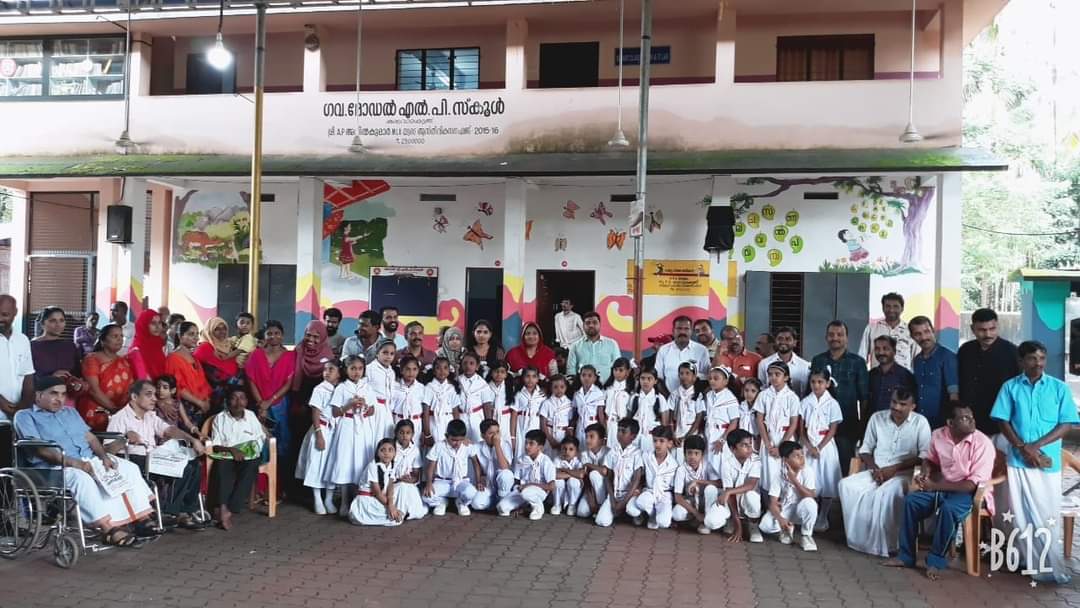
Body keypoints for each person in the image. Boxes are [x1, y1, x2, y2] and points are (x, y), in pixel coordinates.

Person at [14, 377, 155, 546]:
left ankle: (141, 519)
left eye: (63, 394)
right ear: (38, 396)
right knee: (82, 479)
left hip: (88, 459)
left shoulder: (70, 413)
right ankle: (108, 529)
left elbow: (91, 438)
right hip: (55, 468)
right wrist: (76, 463)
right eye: (54, 394)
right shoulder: (25, 416)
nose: (60, 399)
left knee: (128, 468)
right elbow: (41, 450)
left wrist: (104, 458)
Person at [990, 340, 1078, 584]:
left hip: (1048, 463)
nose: (1038, 363)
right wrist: (1021, 447)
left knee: (1046, 513)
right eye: (1032, 358)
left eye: (1041, 358)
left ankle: (1049, 566)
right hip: (1018, 462)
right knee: (1021, 515)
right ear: (1021, 361)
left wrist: (1035, 446)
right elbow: (1002, 420)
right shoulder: (1010, 387)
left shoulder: (1059, 388)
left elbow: (1067, 423)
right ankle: (1026, 561)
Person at [883, 402, 996, 580]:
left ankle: (935, 561)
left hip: (968, 493)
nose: (972, 421)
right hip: (943, 487)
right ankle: (906, 556)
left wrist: (934, 486)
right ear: (950, 423)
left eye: (971, 417)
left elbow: (972, 485)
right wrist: (926, 472)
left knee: (948, 509)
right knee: (911, 502)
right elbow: (930, 460)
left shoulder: (983, 444)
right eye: (965, 418)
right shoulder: (938, 435)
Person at [838, 387, 931, 558]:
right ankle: (858, 540)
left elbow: (924, 456)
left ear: (913, 406)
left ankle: (888, 544)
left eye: (902, 404)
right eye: (894, 402)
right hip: (877, 470)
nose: (896, 407)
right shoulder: (877, 418)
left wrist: (894, 469)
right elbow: (865, 450)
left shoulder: (921, 422)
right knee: (846, 485)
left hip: (904, 474)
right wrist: (875, 469)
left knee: (884, 493)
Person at [107, 380, 206, 529]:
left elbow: (169, 430)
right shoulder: (120, 418)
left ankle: (184, 510)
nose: (154, 398)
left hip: (152, 457)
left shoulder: (150, 416)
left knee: (194, 464)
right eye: (149, 395)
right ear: (134, 397)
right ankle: (169, 512)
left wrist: (192, 440)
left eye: (154, 394)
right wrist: (124, 438)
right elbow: (108, 451)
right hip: (132, 460)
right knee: (184, 468)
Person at [327, 356, 384, 515]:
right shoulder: (342, 388)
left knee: (361, 461)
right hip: (347, 426)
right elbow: (335, 412)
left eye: (359, 368)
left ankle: (358, 499)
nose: (356, 372)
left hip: (363, 427)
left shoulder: (367, 387)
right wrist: (349, 405)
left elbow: (372, 410)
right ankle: (344, 501)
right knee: (346, 461)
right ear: (346, 370)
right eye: (352, 368)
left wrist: (365, 405)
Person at [810, 320, 870, 474]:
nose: (835, 338)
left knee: (844, 466)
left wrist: (862, 426)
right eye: (831, 334)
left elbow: (864, 397)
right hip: (820, 426)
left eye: (840, 334)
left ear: (847, 338)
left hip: (847, 425)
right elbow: (811, 392)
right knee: (820, 467)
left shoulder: (857, 362)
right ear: (826, 337)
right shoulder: (818, 360)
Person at [207, 386, 267, 530]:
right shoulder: (220, 418)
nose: (238, 402)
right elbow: (216, 445)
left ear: (246, 401)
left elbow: (260, 438)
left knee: (252, 465)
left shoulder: (251, 416)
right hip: (227, 454)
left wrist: (249, 450)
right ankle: (223, 508)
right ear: (227, 401)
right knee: (221, 467)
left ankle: (231, 507)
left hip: (248, 455)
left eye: (242, 398)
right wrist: (231, 450)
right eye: (234, 398)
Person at [246, 320, 297, 481]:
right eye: (269, 333)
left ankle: (280, 484)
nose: (273, 336)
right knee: (261, 442)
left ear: (282, 335)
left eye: (277, 333)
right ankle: (261, 485)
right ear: (264, 336)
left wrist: (270, 401)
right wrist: (261, 404)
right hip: (258, 404)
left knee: (283, 444)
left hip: (280, 405)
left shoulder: (290, 356)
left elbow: (288, 383)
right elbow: (251, 379)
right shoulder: (256, 354)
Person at [959, 307, 1020, 435]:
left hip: (1002, 423)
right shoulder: (965, 350)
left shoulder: (1012, 352)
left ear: (998, 326)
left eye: (992, 329)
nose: (988, 334)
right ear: (972, 329)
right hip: (970, 421)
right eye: (982, 330)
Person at [295, 359, 342, 515]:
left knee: (331, 464)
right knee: (316, 464)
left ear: (339, 373)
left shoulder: (341, 389)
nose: (327, 372)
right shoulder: (320, 389)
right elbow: (315, 413)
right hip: (321, 429)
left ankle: (328, 498)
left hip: (334, 431)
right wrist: (319, 434)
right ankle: (317, 498)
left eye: (331, 369)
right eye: (325, 369)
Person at [799, 369, 843, 532]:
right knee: (810, 479)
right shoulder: (805, 402)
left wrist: (819, 447)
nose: (816, 385)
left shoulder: (833, 404)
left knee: (826, 480)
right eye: (813, 382)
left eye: (820, 382)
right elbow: (801, 430)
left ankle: (823, 516)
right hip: (808, 445)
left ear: (828, 384)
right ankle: (811, 513)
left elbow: (833, 429)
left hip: (825, 445)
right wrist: (810, 447)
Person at [759, 441, 818, 551]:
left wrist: (794, 480)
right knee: (765, 526)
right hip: (786, 507)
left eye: (802, 455)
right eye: (796, 456)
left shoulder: (807, 471)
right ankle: (787, 529)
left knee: (810, 503)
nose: (802, 458)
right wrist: (780, 519)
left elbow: (811, 495)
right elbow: (772, 503)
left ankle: (806, 535)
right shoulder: (779, 474)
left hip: (801, 508)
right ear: (785, 460)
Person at [754, 360, 800, 495]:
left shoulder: (792, 397)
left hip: (785, 438)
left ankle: (786, 501)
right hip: (768, 437)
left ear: (786, 377)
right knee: (768, 474)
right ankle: (768, 503)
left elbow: (793, 423)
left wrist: (781, 447)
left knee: (785, 472)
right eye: (770, 374)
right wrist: (768, 444)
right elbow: (759, 419)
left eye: (777, 374)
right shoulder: (763, 395)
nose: (773, 377)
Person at [77, 324, 135, 431]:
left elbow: (130, 389)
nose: (120, 339)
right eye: (115, 336)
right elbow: (93, 390)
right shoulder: (92, 359)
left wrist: (122, 412)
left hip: (119, 413)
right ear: (103, 341)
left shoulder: (124, 361)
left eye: (121, 336)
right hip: (96, 410)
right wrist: (113, 409)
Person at [714, 429, 764, 543]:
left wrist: (729, 491)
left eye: (750, 444)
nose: (749, 448)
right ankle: (732, 520)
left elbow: (751, 484)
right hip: (732, 499)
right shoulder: (726, 463)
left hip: (746, 498)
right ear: (733, 449)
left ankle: (753, 524)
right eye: (744, 445)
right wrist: (738, 526)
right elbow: (730, 494)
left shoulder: (756, 460)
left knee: (752, 495)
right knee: (712, 521)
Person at [909, 316, 959, 430]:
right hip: (920, 420)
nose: (923, 337)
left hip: (941, 422)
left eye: (926, 332)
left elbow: (954, 394)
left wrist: (952, 422)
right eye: (918, 334)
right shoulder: (917, 360)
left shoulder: (947, 356)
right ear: (912, 337)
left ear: (933, 331)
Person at [625, 426, 679, 529]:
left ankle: (659, 515)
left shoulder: (673, 464)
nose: (657, 444)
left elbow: (673, 488)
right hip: (649, 491)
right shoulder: (646, 456)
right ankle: (652, 515)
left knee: (664, 523)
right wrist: (638, 489)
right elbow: (640, 476)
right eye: (655, 441)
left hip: (664, 494)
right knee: (636, 505)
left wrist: (669, 505)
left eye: (661, 441)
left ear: (669, 443)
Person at [594, 418, 645, 527]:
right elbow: (608, 477)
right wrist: (612, 498)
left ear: (633, 436)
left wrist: (623, 502)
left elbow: (636, 480)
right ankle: (618, 512)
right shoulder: (613, 451)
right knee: (601, 521)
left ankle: (636, 514)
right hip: (615, 493)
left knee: (632, 510)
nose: (619, 434)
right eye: (618, 430)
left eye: (624, 431)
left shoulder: (637, 453)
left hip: (630, 494)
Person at [497, 428, 557, 520]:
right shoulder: (522, 459)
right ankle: (524, 506)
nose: (527, 446)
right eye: (526, 443)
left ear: (540, 447)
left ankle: (538, 508)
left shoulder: (546, 461)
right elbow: (517, 480)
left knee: (526, 493)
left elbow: (551, 486)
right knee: (501, 507)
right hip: (522, 490)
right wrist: (516, 490)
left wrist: (529, 485)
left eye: (531, 443)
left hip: (539, 491)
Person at [423, 419, 478, 516]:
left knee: (471, 492)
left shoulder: (467, 446)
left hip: (461, 481)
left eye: (460, 440)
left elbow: (475, 462)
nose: (457, 443)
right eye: (453, 440)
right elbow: (430, 466)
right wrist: (429, 483)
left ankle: (461, 502)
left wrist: (478, 481)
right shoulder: (439, 446)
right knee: (426, 496)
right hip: (442, 481)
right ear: (446, 436)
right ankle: (441, 502)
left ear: (464, 438)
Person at [671, 434, 722, 534]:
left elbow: (719, 483)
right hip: (691, 502)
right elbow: (678, 497)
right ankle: (695, 519)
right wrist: (696, 513)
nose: (692, 457)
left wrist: (698, 481)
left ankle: (706, 522)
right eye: (689, 453)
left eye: (696, 453)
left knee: (711, 489)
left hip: (707, 501)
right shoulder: (681, 470)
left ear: (702, 454)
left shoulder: (707, 465)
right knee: (677, 514)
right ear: (684, 453)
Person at [348, 438, 405, 526]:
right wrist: (391, 507)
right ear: (377, 453)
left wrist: (391, 505)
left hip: (379, 499)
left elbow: (390, 486)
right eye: (383, 450)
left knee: (397, 514)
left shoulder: (391, 466)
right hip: (367, 501)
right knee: (394, 519)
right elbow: (377, 493)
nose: (386, 453)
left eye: (390, 450)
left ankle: (394, 512)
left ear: (394, 453)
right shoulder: (373, 466)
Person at [858, 292, 917, 370]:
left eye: (895, 306)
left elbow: (916, 359)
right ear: (883, 308)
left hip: (904, 377)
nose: (891, 310)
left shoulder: (910, 330)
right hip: (877, 376)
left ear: (902, 309)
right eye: (888, 306)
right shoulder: (871, 328)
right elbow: (861, 358)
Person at [193, 317, 243, 409]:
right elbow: (197, 372)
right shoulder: (204, 348)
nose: (222, 331)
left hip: (233, 396)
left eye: (224, 328)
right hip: (211, 396)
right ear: (209, 331)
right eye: (217, 329)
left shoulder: (230, 346)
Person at [0, 295, 35, 422]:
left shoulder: (23, 340)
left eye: (5, 314)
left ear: (15, 312)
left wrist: (23, 407)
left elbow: (28, 375)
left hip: (19, 414)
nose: (0, 318)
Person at [469, 418, 515, 513]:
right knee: (476, 504)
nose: (495, 436)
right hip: (488, 485)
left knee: (506, 474)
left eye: (497, 432)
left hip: (503, 486)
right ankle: (495, 504)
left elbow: (505, 468)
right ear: (483, 436)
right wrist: (479, 481)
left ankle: (503, 501)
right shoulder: (477, 447)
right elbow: (477, 466)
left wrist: (497, 446)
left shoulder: (505, 445)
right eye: (491, 433)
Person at [655, 316, 709, 394]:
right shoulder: (663, 350)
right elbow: (658, 378)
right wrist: (669, 398)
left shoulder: (701, 350)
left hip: (695, 398)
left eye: (686, 329)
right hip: (668, 397)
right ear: (673, 331)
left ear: (691, 331)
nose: (682, 332)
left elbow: (707, 378)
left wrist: (697, 398)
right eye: (679, 328)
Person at [702, 366, 740, 474]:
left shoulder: (730, 398)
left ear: (725, 381)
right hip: (709, 432)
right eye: (710, 378)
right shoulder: (708, 395)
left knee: (720, 463)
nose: (712, 381)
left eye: (716, 378)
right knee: (708, 463)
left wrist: (723, 439)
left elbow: (734, 422)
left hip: (721, 434)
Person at [868, 336, 916, 415]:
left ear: (894, 351)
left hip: (895, 421)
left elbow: (911, 405)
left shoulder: (906, 376)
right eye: (877, 349)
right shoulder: (871, 375)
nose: (881, 352)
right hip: (872, 421)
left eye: (885, 349)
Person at [31, 306, 81, 383]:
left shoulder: (70, 346)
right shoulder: (32, 346)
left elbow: (78, 373)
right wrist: (51, 378)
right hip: (42, 389)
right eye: (53, 321)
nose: (58, 324)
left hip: (68, 389)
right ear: (42, 323)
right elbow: (27, 377)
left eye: (61, 320)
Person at [576, 423, 616, 519]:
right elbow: (585, 477)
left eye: (591, 437)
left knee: (594, 474)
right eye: (586, 437)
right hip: (590, 489)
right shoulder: (584, 454)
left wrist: (588, 465)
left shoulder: (608, 452)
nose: (587, 440)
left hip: (606, 489)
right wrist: (591, 499)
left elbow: (604, 471)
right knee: (581, 512)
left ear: (601, 440)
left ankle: (602, 506)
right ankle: (595, 506)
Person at [567, 312, 620, 382]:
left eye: (595, 322)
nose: (591, 325)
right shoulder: (575, 346)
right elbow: (571, 371)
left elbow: (618, 367)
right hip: (583, 387)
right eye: (588, 323)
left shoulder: (612, 344)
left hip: (607, 387)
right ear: (583, 326)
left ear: (600, 324)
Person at [758, 326, 810, 398]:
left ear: (795, 343)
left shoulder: (805, 366)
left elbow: (805, 393)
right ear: (775, 341)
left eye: (788, 339)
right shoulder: (764, 364)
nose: (783, 342)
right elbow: (762, 389)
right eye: (780, 339)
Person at [422, 357, 462, 449]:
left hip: (449, 421)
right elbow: (426, 412)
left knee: (449, 449)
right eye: (438, 368)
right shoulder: (429, 387)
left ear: (449, 370)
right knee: (435, 448)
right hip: (434, 422)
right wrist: (427, 434)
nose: (442, 371)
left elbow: (455, 411)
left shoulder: (451, 388)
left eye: (445, 368)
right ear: (433, 371)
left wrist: (458, 430)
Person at [390, 419, 427, 520]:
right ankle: (400, 513)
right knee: (402, 487)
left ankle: (404, 511)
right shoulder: (391, 447)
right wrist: (398, 479)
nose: (404, 436)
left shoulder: (415, 450)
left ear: (413, 434)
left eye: (408, 433)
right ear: (396, 433)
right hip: (392, 484)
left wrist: (411, 479)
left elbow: (416, 475)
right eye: (401, 432)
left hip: (408, 484)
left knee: (419, 512)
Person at [627, 368, 670, 452]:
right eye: (642, 378)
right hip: (635, 436)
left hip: (652, 437)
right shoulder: (634, 398)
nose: (645, 381)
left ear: (655, 381)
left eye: (649, 379)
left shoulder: (659, 399)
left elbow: (664, 424)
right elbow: (628, 419)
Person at [457, 351, 494, 443]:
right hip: (461, 417)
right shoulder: (456, 381)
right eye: (465, 363)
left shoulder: (482, 384)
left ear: (477, 366)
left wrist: (488, 425)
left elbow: (487, 405)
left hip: (476, 418)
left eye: (471, 363)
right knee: (462, 444)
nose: (468, 366)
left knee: (478, 442)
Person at [670, 363, 705, 460]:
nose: (684, 376)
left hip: (692, 433)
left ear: (694, 377)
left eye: (687, 373)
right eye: (681, 373)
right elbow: (671, 417)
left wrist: (687, 437)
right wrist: (673, 435)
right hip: (677, 434)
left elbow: (698, 418)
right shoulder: (675, 394)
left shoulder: (698, 395)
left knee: (690, 459)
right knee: (677, 459)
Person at [716, 325, 762, 390]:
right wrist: (718, 354)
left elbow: (761, 383)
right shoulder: (719, 357)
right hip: (724, 395)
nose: (734, 341)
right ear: (722, 341)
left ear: (741, 337)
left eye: (736, 337)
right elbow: (713, 378)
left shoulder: (756, 358)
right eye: (729, 339)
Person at [513, 366, 546, 459]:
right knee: (521, 449)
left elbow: (544, 416)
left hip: (536, 423)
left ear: (538, 378)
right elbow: (514, 415)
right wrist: (512, 436)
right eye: (527, 376)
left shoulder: (542, 395)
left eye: (534, 376)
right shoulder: (518, 394)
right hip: (521, 425)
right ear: (523, 378)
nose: (530, 379)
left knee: (535, 450)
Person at [602, 358, 635, 450]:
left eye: (621, 370)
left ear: (627, 372)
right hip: (608, 423)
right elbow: (602, 407)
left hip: (623, 425)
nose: (617, 373)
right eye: (615, 370)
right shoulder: (608, 388)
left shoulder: (630, 390)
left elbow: (631, 410)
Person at [128, 310, 167, 381]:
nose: (157, 327)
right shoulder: (136, 349)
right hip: (146, 386)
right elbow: (142, 377)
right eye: (153, 323)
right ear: (143, 325)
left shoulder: (158, 344)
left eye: (159, 323)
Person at [539, 375, 573, 458]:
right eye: (555, 387)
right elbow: (543, 422)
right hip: (549, 433)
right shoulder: (547, 403)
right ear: (551, 388)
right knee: (547, 456)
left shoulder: (569, 404)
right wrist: (550, 438)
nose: (559, 390)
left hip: (563, 435)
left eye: (562, 387)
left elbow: (570, 422)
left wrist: (568, 437)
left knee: (561, 457)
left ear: (566, 387)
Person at [572, 365, 606, 449]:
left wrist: (604, 434)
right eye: (583, 375)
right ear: (580, 377)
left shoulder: (598, 393)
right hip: (580, 425)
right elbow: (575, 413)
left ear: (595, 378)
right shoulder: (577, 394)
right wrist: (571, 427)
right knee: (580, 449)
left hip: (592, 424)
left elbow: (601, 415)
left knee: (591, 449)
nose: (586, 378)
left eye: (590, 376)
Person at [551, 436, 583, 516]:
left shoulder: (578, 461)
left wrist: (563, 471)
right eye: (564, 449)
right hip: (560, 493)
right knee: (558, 482)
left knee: (573, 482)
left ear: (576, 451)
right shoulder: (557, 460)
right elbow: (554, 475)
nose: (567, 452)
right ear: (560, 449)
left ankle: (572, 505)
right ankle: (557, 505)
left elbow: (580, 474)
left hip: (572, 493)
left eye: (571, 449)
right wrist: (573, 474)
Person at [392, 355, 426, 429]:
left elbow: (424, 410)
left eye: (414, 369)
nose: (411, 372)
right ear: (401, 370)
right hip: (398, 421)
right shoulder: (395, 387)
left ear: (418, 370)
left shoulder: (421, 388)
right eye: (408, 369)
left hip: (416, 423)